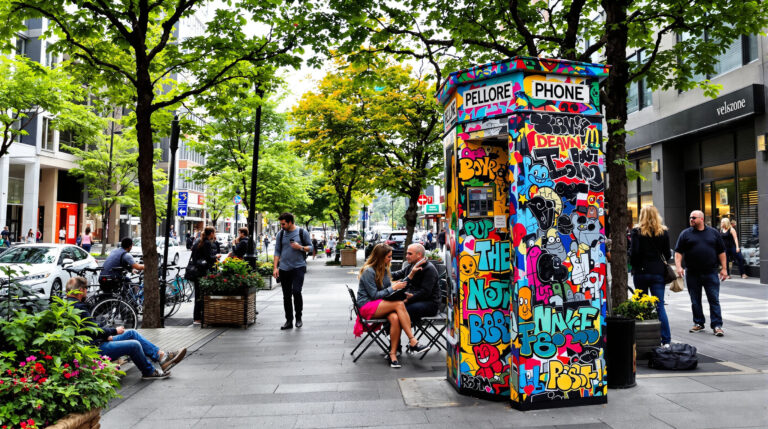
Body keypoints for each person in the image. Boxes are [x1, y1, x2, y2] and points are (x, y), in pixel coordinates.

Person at [66, 277, 185, 379]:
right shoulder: (78, 307)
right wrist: (114, 331)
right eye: (86, 288)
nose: (87, 290)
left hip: (96, 341)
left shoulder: (68, 304)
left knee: (132, 333)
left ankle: (162, 357)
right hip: (94, 348)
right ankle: (149, 372)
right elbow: (93, 331)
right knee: (134, 345)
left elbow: (89, 329)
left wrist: (107, 336)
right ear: (80, 290)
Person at [356, 243, 431, 368]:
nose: (391, 259)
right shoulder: (369, 271)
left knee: (395, 318)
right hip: (367, 306)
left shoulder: (384, 268)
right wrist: (393, 288)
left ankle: (393, 354)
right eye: (389, 257)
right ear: (380, 257)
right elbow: (374, 295)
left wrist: (410, 275)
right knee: (399, 304)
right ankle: (413, 340)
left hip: (380, 304)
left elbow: (390, 287)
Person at [675, 210, 727, 337]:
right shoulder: (685, 234)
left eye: (694, 217)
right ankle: (698, 323)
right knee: (695, 300)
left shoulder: (713, 233)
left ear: (702, 219)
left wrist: (724, 268)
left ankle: (717, 325)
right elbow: (678, 252)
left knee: (714, 300)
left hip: (711, 272)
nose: (691, 219)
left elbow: (721, 252)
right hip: (692, 273)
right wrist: (678, 267)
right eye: (690, 217)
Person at [630, 206, 672, 346]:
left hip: (641, 272)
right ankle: (666, 340)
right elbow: (667, 254)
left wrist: (636, 265)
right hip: (658, 272)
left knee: (641, 305)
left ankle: (642, 339)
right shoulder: (663, 232)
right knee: (660, 306)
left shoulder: (636, 232)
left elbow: (634, 253)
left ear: (642, 215)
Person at [273, 212, 311, 330]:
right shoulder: (280, 234)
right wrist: (275, 267)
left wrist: (300, 247)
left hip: (298, 267)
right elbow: (277, 251)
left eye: (283, 224)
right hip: (284, 268)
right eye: (281, 224)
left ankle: (298, 318)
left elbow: (311, 247)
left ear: (290, 222)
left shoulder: (302, 232)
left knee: (296, 292)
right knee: (286, 296)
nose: (282, 226)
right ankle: (289, 320)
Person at [392, 243, 440, 321]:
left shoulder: (429, 269)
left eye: (410, 254)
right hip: (415, 300)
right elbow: (397, 274)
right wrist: (380, 273)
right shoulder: (412, 265)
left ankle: (392, 327)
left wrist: (410, 298)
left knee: (399, 310)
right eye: (407, 253)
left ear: (419, 255)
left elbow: (425, 292)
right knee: (392, 308)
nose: (406, 256)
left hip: (430, 304)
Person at [190, 226, 218, 324]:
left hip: (196, 271)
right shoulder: (206, 243)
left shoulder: (198, 241)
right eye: (214, 233)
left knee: (198, 294)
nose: (214, 234)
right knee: (201, 295)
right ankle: (198, 318)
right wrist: (216, 256)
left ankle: (197, 317)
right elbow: (209, 257)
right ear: (211, 233)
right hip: (202, 271)